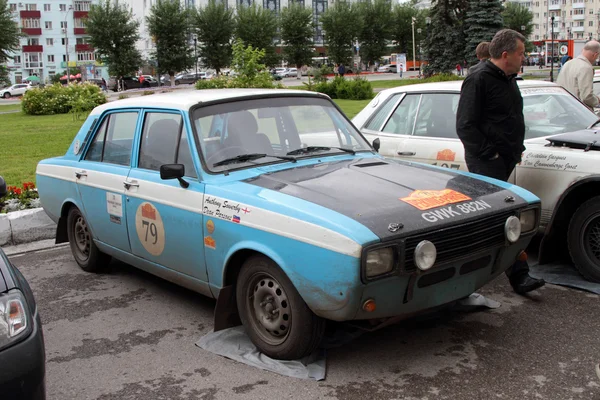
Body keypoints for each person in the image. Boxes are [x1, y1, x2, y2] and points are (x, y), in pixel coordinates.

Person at [456, 29, 546, 295]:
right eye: (521, 53)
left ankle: (474, 276)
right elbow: (465, 126)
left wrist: (514, 150)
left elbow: (509, 118)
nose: (524, 58)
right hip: (487, 163)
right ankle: (518, 276)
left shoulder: (508, 79)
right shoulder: (478, 79)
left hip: (505, 159)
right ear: (505, 55)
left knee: (491, 220)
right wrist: (491, 155)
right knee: (505, 217)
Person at [556, 41, 600, 110]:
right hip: (578, 111)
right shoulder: (586, 67)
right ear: (595, 54)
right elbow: (586, 97)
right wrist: (597, 100)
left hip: (562, 108)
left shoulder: (567, 64)